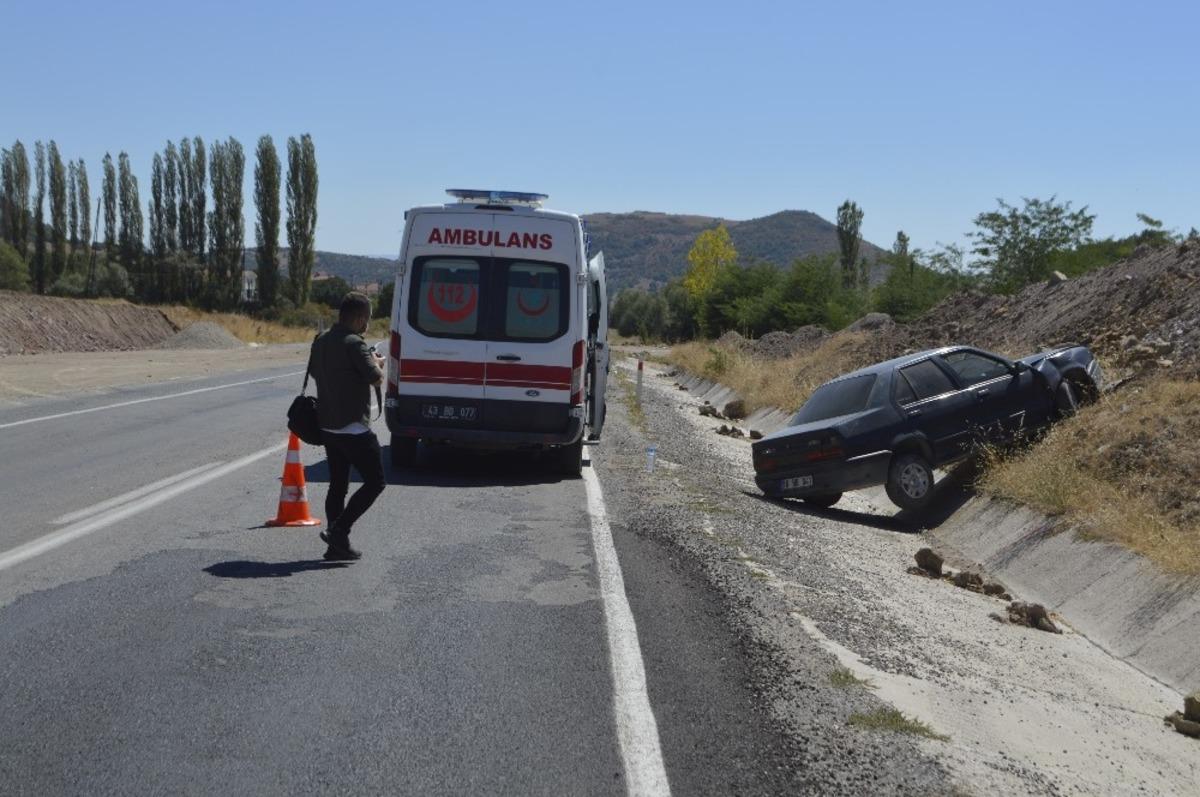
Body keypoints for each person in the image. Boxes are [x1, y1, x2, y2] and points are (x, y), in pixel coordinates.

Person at [308, 292, 386, 560]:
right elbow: (376, 379)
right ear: (360, 318)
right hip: (353, 427)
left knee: (338, 485)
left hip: (327, 425)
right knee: (375, 482)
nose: (368, 324)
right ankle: (340, 531)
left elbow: (318, 374)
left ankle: (334, 546)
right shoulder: (355, 343)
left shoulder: (321, 341)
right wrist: (376, 362)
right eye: (368, 319)